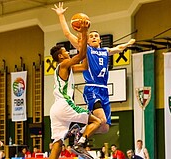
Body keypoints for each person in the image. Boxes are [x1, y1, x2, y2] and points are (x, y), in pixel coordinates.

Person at [52, 2, 135, 134]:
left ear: (100, 40)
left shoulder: (105, 51)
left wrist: (127, 44)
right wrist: (61, 15)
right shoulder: (86, 49)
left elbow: (118, 48)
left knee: (105, 128)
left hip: (104, 89)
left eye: (96, 36)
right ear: (87, 41)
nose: (94, 37)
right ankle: (80, 134)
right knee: (100, 120)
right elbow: (67, 33)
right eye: (91, 36)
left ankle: (79, 130)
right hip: (92, 87)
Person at [49, 20, 101, 159]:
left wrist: (86, 47)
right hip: (65, 105)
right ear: (60, 56)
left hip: (55, 109)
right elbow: (81, 56)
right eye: (65, 51)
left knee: (58, 143)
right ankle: (79, 140)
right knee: (97, 121)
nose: (67, 53)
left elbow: (84, 66)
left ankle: (74, 131)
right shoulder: (64, 63)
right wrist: (84, 34)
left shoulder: (64, 68)